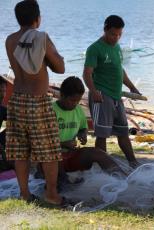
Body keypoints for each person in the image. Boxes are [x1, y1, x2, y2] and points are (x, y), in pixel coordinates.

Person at [5, 0, 64, 205]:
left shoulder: (10, 40)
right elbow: (60, 68)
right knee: (49, 151)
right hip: (37, 101)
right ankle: (52, 194)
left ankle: (24, 194)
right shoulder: (42, 38)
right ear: (37, 19)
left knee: (20, 151)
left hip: (17, 100)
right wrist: (52, 57)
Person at [83, 15, 140, 168]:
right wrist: (93, 91)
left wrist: (132, 87)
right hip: (101, 95)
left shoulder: (117, 47)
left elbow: (120, 70)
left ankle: (133, 162)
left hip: (117, 96)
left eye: (120, 34)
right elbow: (87, 73)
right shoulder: (94, 48)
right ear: (105, 30)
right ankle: (104, 166)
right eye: (113, 34)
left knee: (123, 132)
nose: (116, 38)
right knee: (102, 134)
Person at [52, 76, 126, 178]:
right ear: (62, 96)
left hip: (71, 155)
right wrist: (63, 144)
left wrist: (82, 134)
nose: (75, 104)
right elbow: (40, 142)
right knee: (55, 158)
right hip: (52, 157)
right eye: (72, 100)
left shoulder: (78, 109)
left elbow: (83, 128)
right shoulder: (51, 111)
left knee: (98, 153)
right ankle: (61, 179)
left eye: (77, 101)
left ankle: (122, 178)